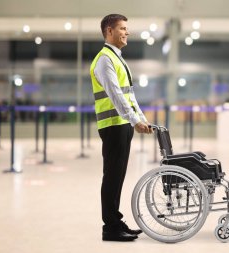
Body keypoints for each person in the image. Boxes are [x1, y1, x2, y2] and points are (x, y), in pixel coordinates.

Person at [90, 13, 153, 242]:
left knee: (118, 176)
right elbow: (115, 95)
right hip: (113, 125)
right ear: (109, 31)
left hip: (123, 124)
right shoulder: (104, 59)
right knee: (112, 176)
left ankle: (116, 221)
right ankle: (111, 227)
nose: (127, 32)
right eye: (122, 28)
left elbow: (129, 94)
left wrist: (140, 117)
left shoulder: (117, 58)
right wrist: (134, 119)